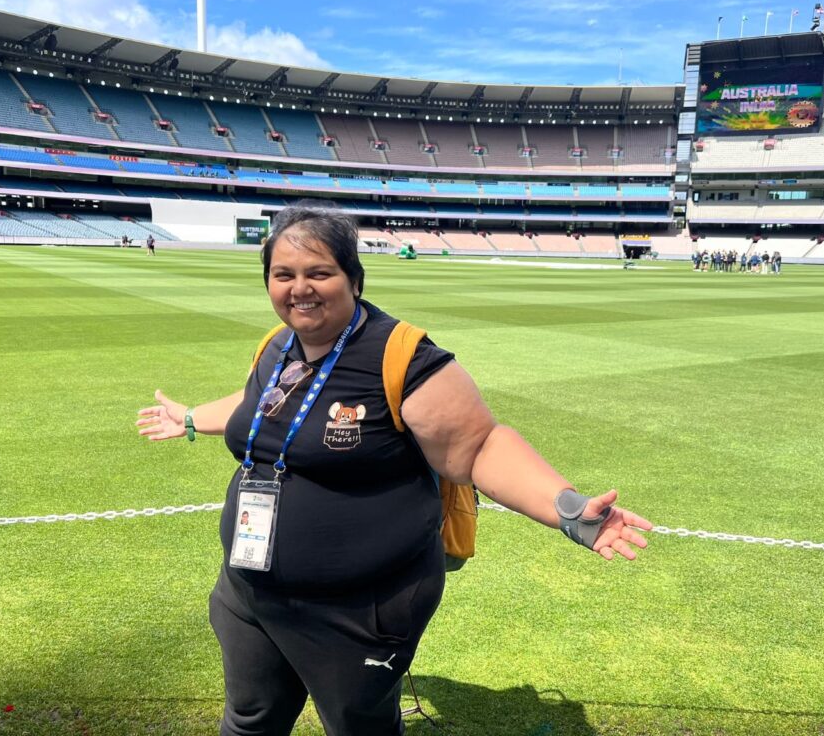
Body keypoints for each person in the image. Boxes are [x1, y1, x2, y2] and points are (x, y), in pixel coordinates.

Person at [135, 202, 652, 736]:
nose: (300, 288)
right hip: (249, 594)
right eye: (283, 274)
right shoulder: (276, 347)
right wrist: (192, 417)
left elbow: (479, 448)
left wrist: (569, 510)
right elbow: (257, 409)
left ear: (353, 279)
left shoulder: (401, 356)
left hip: (360, 611)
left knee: (361, 728)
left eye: (319, 273)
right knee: (249, 721)